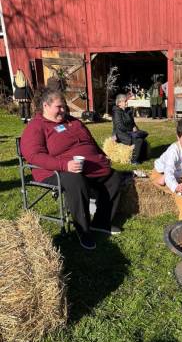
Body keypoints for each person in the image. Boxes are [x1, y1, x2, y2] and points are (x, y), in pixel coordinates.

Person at [21, 88, 121, 250]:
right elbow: (34, 156)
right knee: (75, 180)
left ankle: (101, 222)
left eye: (64, 106)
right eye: (59, 107)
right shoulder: (37, 126)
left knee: (114, 177)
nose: (63, 110)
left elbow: (90, 142)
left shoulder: (72, 121)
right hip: (53, 171)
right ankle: (83, 230)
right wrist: (64, 165)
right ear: (45, 106)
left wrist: (102, 156)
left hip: (87, 167)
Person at [150, 118, 182, 220]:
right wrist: (177, 185)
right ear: (178, 137)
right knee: (180, 193)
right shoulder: (173, 151)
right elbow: (169, 173)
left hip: (176, 173)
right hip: (160, 173)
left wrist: (177, 177)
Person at [112, 94, 148, 165]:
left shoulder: (128, 111)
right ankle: (134, 160)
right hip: (121, 134)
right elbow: (119, 126)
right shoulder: (116, 112)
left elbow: (132, 122)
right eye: (125, 101)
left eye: (126, 101)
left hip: (130, 132)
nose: (127, 102)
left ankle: (142, 157)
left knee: (142, 139)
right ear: (119, 103)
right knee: (138, 140)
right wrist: (131, 129)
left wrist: (135, 127)